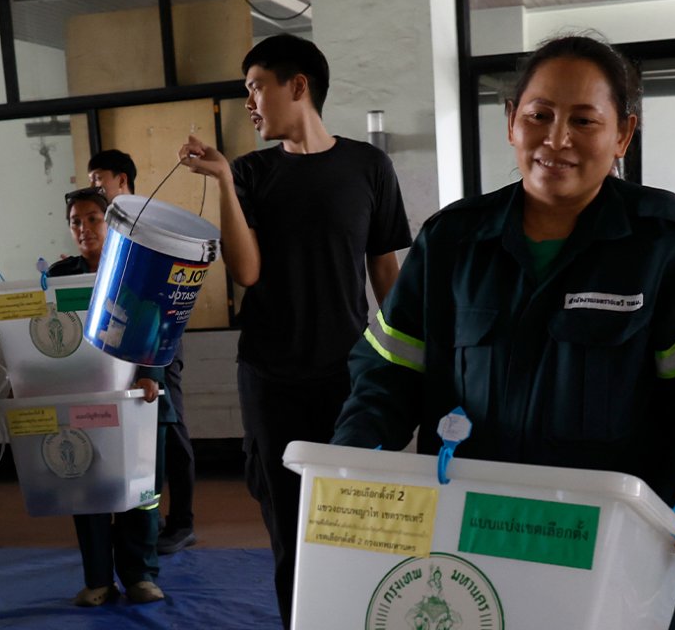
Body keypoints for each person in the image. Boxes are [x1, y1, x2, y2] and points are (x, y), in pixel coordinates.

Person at [329, 35, 675, 630]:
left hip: (619, 548)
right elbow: (387, 373)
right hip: (476, 546)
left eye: (584, 120)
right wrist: (354, 464)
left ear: (623, 135)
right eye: (539, 115)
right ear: (512, 121)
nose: (557, 139)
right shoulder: (453, 241)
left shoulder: (666, 241)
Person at [178, 34, 411, 627]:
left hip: (347, 376)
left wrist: (411, 361)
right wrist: (223, 181)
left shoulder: (369, 167)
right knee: (288, 526)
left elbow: (386, 273)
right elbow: (247, 272)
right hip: (270, 377)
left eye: (256, 87)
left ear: (298, 85)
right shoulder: (251, 173)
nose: (249, 102)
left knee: (355, 520)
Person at [50, 187, 169, 606]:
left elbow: (161, 321)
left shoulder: (139, 265)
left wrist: (151, 375)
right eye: (75, 222)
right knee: (88, 491)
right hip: (84, 400)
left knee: (141, 493)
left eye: (92, 219)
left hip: (138, 398)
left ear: (111, 223)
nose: (84, 228)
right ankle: (99, 579)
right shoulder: (60, 276)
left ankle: (140, 577)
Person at [87, 149, 197, 555]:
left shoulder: (147, 220)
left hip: (156, 335)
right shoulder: (105, 221)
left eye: (99, 180)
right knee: (127, 433)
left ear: (122, 180)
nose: (95, 187)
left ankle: (182, 522)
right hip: (114, 339)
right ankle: (144, 520)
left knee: (169, 424)